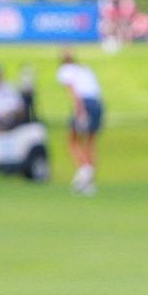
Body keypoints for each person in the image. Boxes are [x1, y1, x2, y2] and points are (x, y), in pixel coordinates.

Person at [55, 50, 104, 194]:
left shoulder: (64, 70)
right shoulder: (85, 68)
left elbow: (74, 92)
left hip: (84, 104)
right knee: (90, 143)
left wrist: (80, 111)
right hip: (97, 104)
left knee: (72, 141)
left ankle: (85, 170)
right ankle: (89, 183)